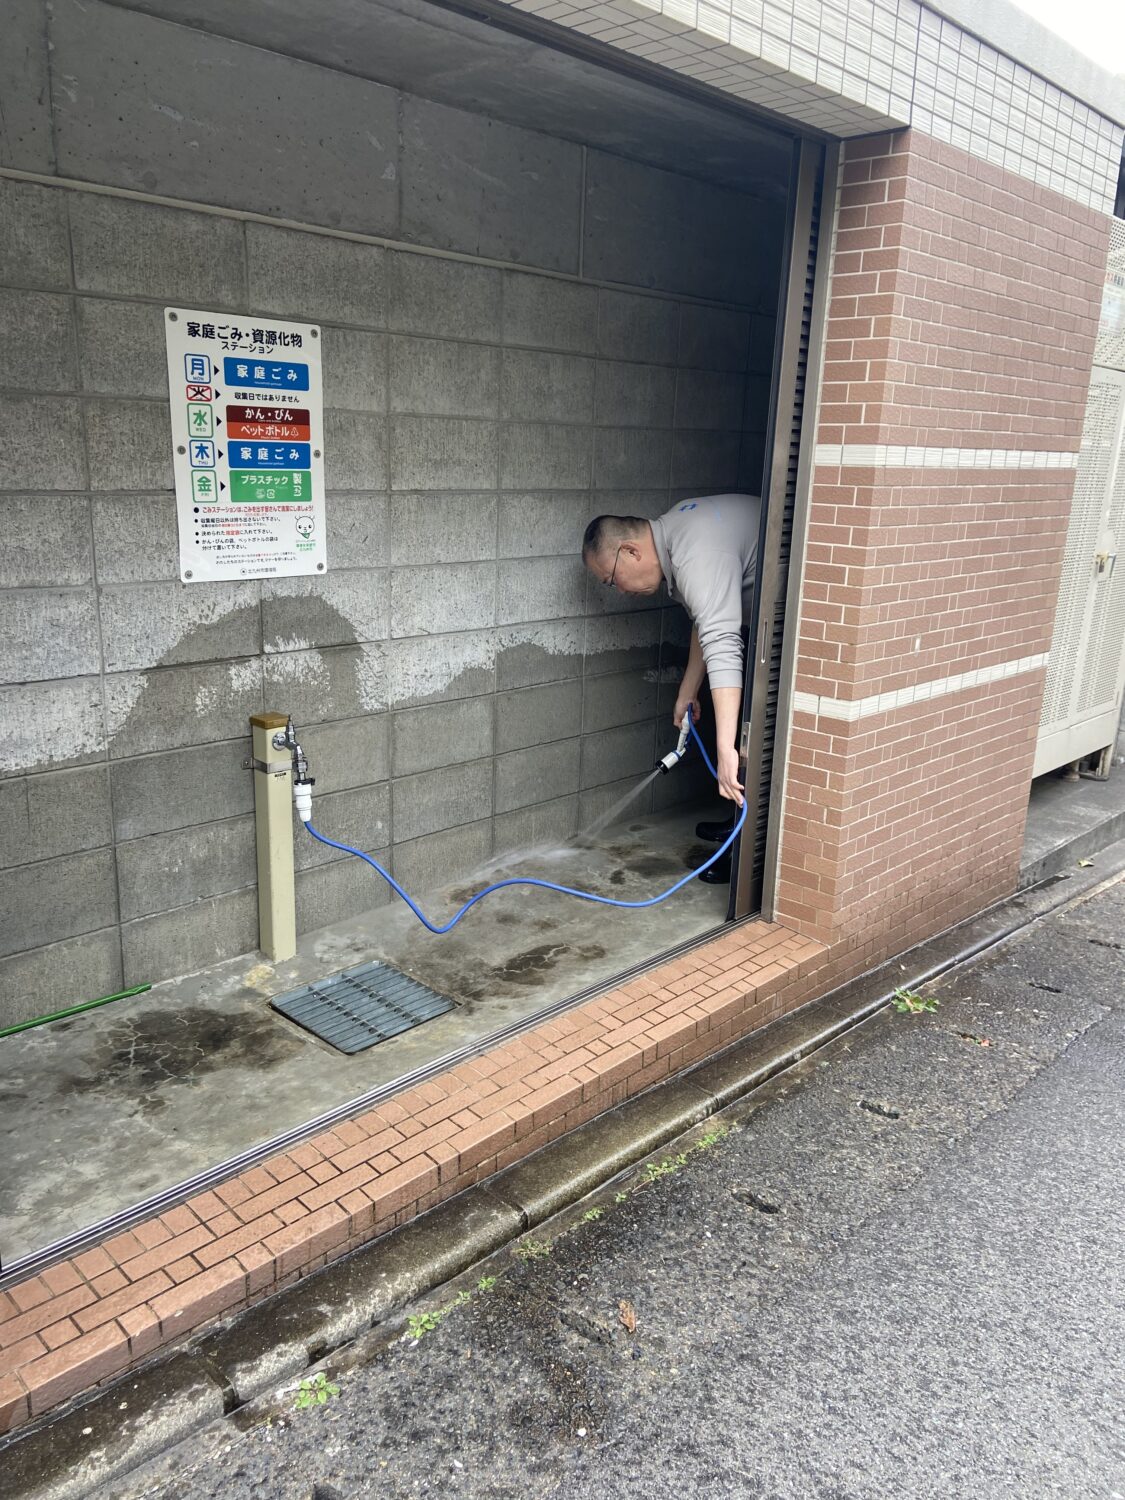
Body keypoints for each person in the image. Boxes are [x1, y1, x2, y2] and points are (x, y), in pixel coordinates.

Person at [582, 493, 761, 884]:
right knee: (740, 735)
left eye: (612, 579)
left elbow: (723, 642)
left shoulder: (695, 553)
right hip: (767, 619)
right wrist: (688, 689)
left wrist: (726, 749)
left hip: (809, 617)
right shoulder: (677, 533)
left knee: (756, 742)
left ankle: (747, 850)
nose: (619, 590)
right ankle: (738, 824)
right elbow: (705, 617)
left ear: (630, 551)